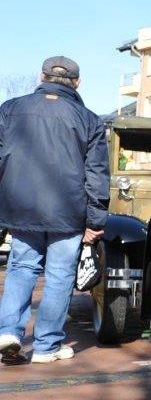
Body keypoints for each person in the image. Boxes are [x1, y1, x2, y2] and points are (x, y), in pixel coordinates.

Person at [0, 57, 108, 365]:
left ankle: (9, 332)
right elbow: (97, 173)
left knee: (21, 269)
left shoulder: (9, 110)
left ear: (42, 75)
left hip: (22, 209)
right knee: (60, 276)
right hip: (68, 213)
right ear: (77, 83)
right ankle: (47, 346)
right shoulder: (88, 119)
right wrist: (96, 219)